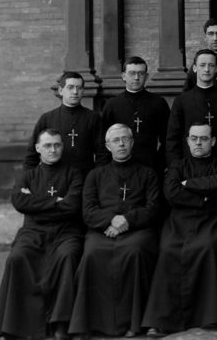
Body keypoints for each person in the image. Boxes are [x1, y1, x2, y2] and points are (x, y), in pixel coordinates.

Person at [142, 123, 217, 336]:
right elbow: (171, 193)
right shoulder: (177, 166)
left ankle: (209, 316)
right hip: (179, 221)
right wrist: (205, 197)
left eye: (204, 139)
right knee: (169, 250)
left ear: (213, 141)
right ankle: (162, 319)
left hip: (213, 220)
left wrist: (188, 184)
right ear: (187, 140)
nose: (199, 143)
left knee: (208, 246)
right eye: (194, 138)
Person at [0, 129, 84, 340]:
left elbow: (73, 205)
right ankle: (14, 325)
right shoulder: (27, 175)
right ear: (38, 148)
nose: (53, 150)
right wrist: (55, 202)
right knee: (17, 257)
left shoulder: (74, 174)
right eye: (48, 145)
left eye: (57, 145)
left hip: (66, 232)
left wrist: (37, 202)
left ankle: (61, 323)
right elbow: (19, 202)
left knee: (67, 256)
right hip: (33, 231)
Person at [68, 124, 161, 338]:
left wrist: (127, 220)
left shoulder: (148, 174)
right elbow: (88, 211)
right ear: (108, 146)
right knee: (92, 254)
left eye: (125, 139)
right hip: (103, 230)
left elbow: (153, 208)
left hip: (137, 230)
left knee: (135, 252)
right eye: (116, 140)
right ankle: (89, 323)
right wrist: (111, 220)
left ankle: (135, 322)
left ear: (132, 142)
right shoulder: (95, 175)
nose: (121, 144)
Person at [166, 49, 217, 167]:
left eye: (211, 65)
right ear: (194, 68)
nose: (206, 69)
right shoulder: (181, 101)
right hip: (188, 167)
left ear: (216, 69)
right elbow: (172, 138)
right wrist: (177, 168)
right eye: (202, 65)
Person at [23, 72, 103, 177]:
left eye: (79, 88)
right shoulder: (47, 118)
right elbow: (31, 154)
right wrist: (27, 181)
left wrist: (97, 179)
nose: (75, 92)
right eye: (70, 87)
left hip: (86, 178)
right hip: (54, 179)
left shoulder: (94, 118)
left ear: (83, 91)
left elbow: (103, 154)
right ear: (61, 90)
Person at [100, 56, 170, 174]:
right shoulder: (112, 105)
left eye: (141, 73)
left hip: (151, 165)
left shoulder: (158, 103)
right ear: (123, 76)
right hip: (119, 167)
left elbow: (167, 138)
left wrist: (161, 163)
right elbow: (103, 141)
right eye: (132, 73)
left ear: (146, 76)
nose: (136, 78)